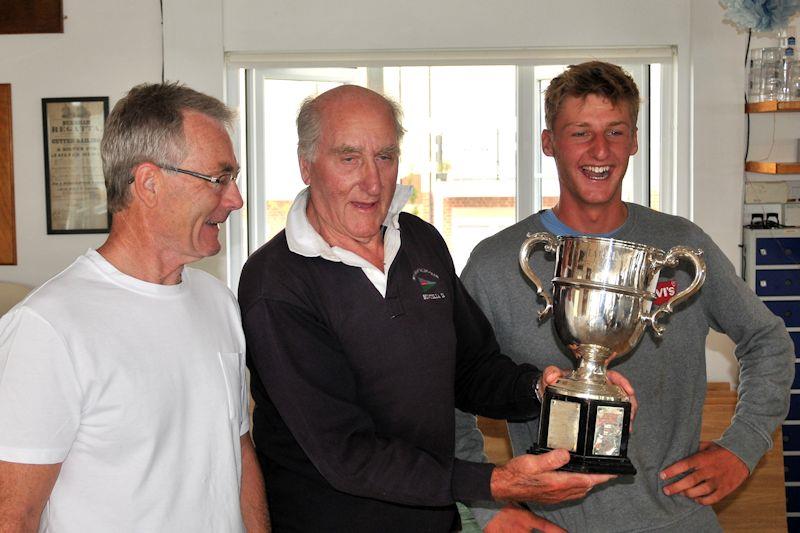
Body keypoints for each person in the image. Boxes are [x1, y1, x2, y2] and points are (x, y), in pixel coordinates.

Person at [237, 84, 634, 532]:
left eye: (385, 157)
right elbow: (345, 454)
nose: (372, 181)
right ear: (307, 165)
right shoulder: (276, 283)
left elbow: (471, 369)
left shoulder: (420, 241)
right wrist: (495, 483)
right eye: (349, 158)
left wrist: (544, 391)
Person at [454, 61, 795, 532]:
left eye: (615, 131)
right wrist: (491, 503)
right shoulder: (496, 264)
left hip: (680, 521)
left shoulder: (680, 248)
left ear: (634, 141)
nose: (600, 150)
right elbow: (443, 392)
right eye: (580, 132)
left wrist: (744, 444)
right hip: (552, 526)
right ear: (548, 142)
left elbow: (768, 340)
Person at [0, 82, 269, 532]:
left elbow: (238, 450)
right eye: (219, 178)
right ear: (149, 183)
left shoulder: (218, 303)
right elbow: (14, 516)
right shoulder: (46, 328)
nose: (235, 199)